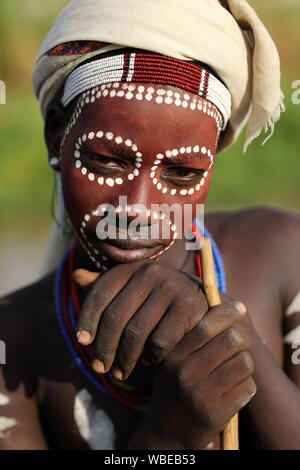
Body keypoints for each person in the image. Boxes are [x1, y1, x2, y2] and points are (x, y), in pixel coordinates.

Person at [0, 0, 299, 450]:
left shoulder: (283, 251)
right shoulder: (13, 345)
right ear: (56, 136)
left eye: (182, 172)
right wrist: (175, 430)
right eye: (105, 160)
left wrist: (233, 340)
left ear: (213, 160)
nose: (137, 209)